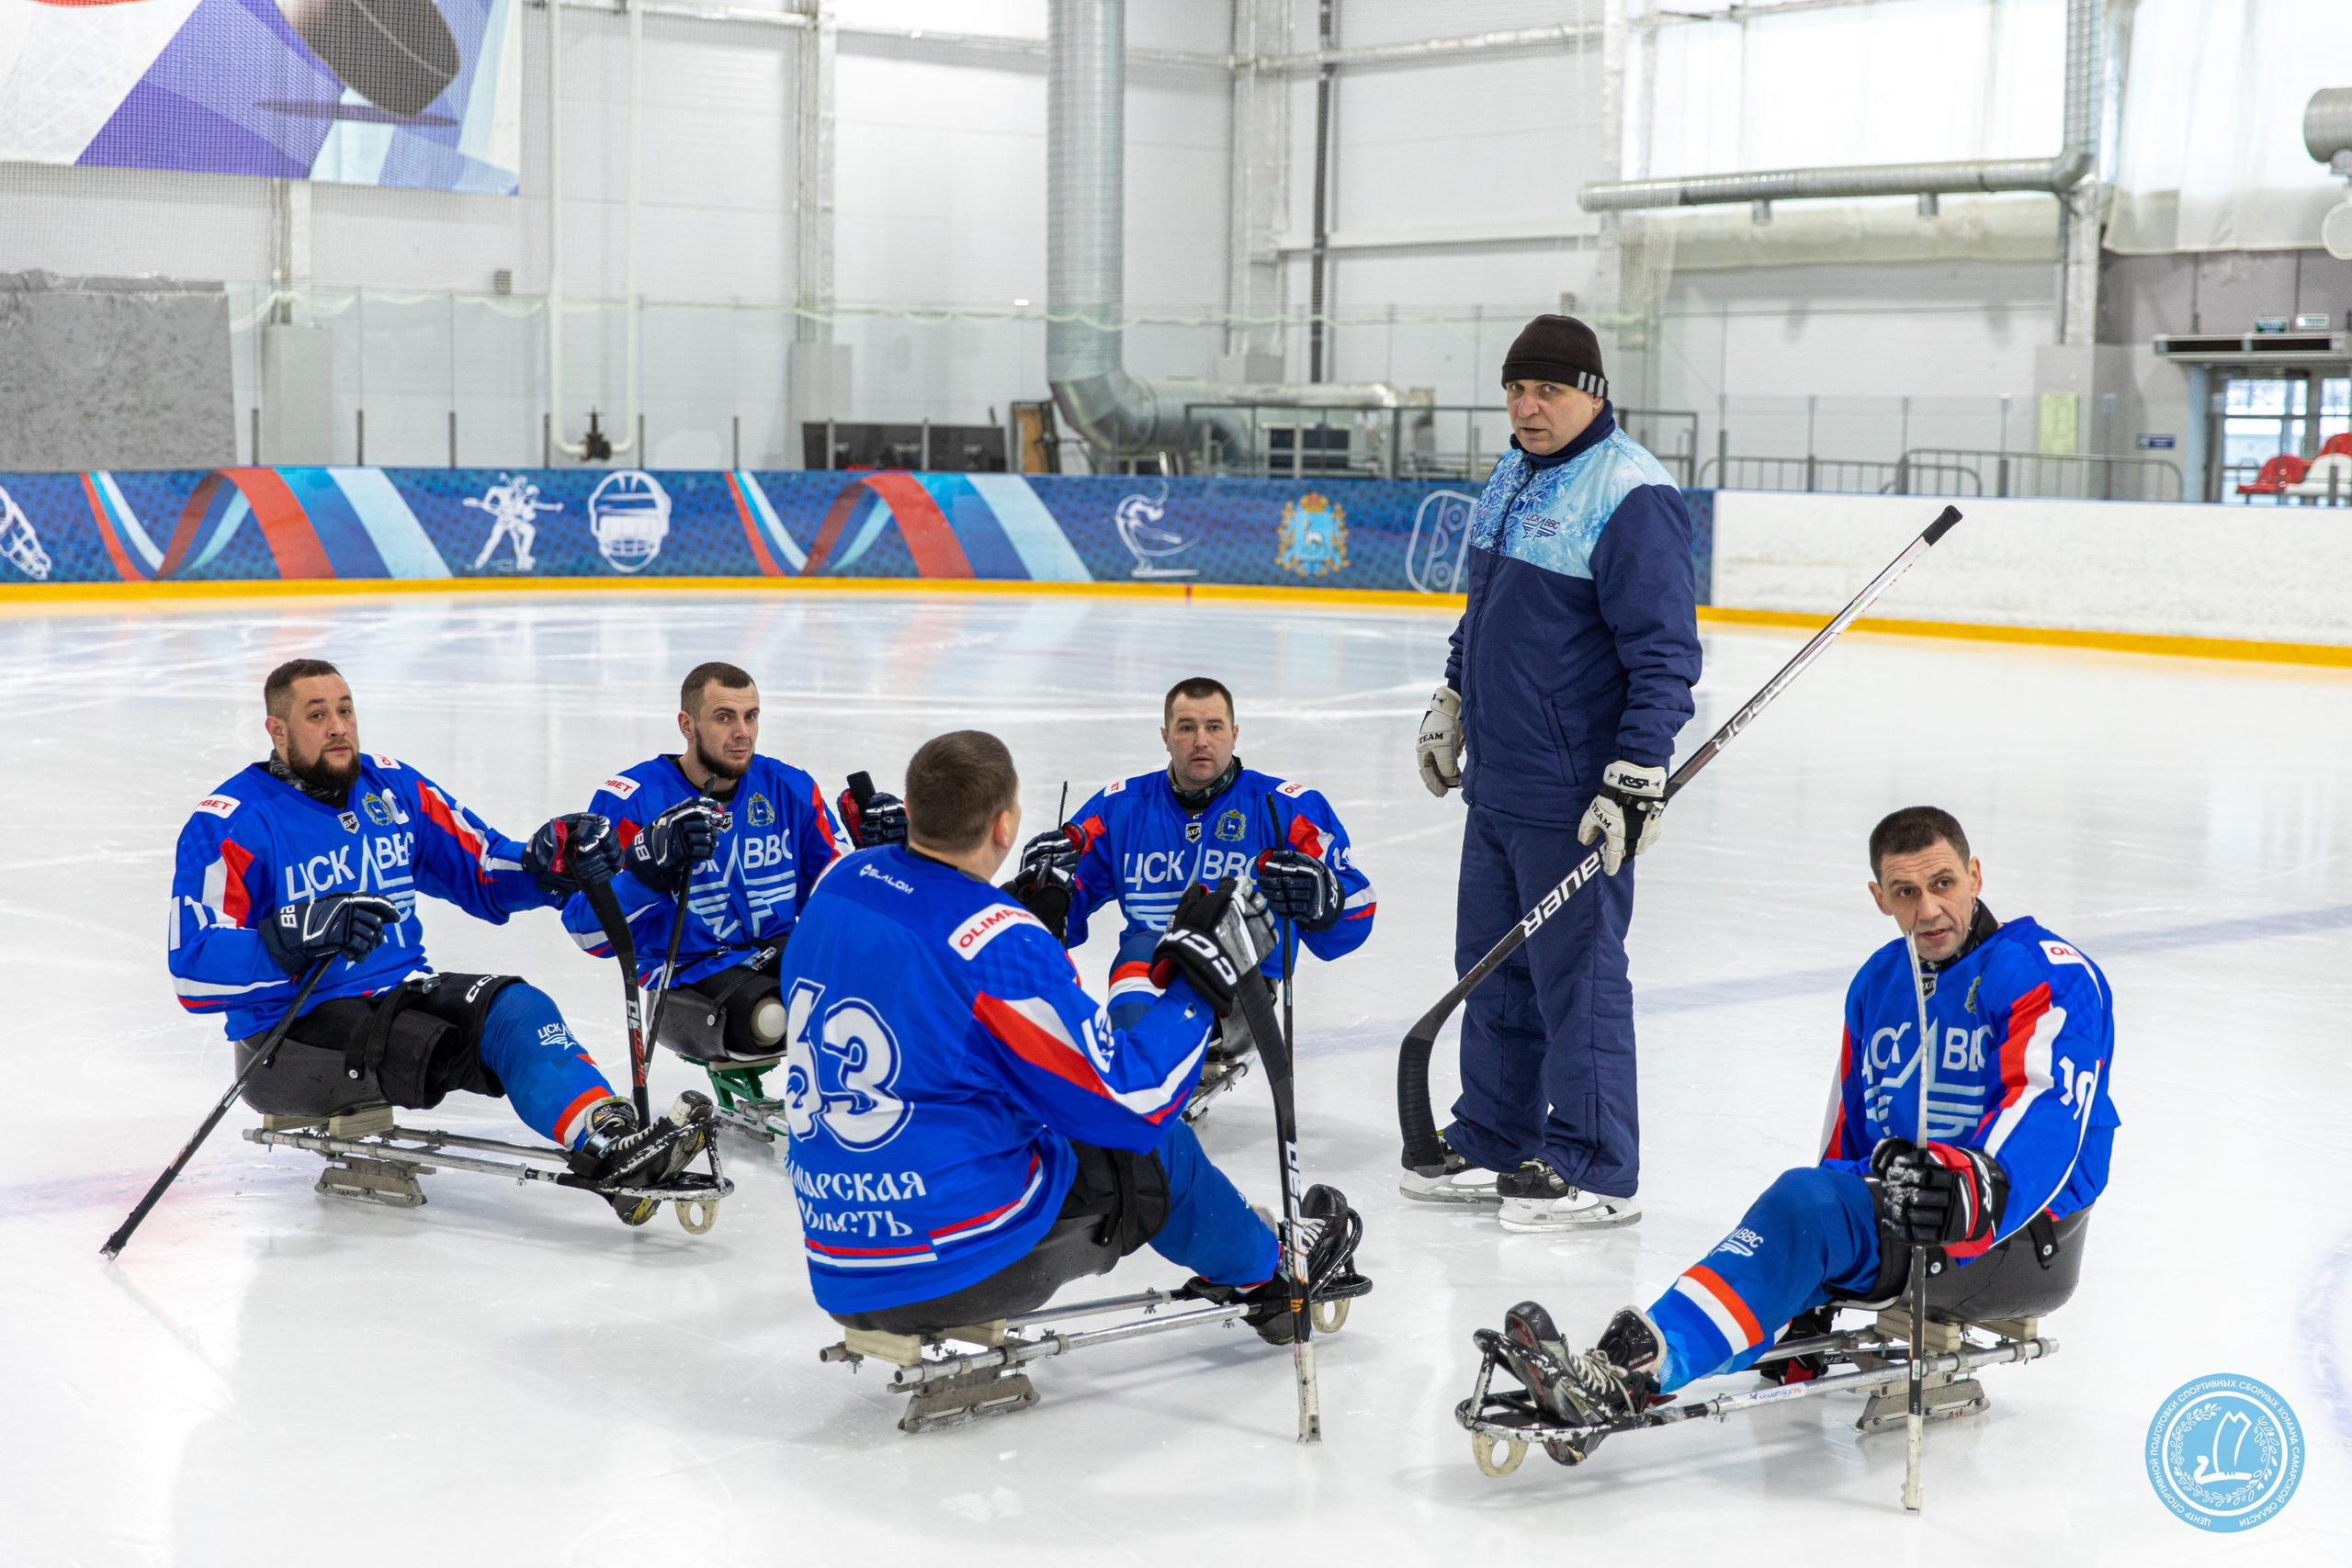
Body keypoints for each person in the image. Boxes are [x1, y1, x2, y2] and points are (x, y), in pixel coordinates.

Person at [1491, 807, 2119, 1427]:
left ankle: (1630, 1375)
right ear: (1881, 897)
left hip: (2020, 1232)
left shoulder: (2046, 969)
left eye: (1943, 884)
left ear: (1975, 875)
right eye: (1906, 891)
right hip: (1914, 1214)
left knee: (1805, 1205)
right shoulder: (1880, 981)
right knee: (1809, 1207)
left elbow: (2050, 1113)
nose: (1927, 908)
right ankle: (1631, 1362)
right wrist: (1812, 1286)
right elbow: (1852, 1130)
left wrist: (1975, 1184)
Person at [775, 728, 1363, 1342]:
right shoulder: (995, 943)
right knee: (1155, 1148)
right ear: (1005, 826)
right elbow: (1135, 1102)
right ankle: (1270, 1269)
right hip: (950, 1261)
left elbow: (926, 981)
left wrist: (1028, 918)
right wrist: (1197, 989)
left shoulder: (842, 881)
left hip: (839, 1256)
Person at [167, 659, 715, 1225]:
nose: (338, 726)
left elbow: (481, 867)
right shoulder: (230, 821)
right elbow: (192, 967)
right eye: (316, 714)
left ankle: (613, 1142)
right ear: (276, 731)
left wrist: (549, 859)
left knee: (516, 1008)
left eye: (345, 710)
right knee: (426, 1038)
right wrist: (293, 937)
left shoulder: (392, 786)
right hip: (290, 1036)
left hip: (395, 996)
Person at [1408, 312, 1702, 1229]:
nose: (1527, 407)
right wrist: (1453, 699)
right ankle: (1497, 1136)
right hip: (1499, 781)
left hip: (1573, 793)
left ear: (1594, 393)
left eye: (1549, 391)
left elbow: (1663, 653)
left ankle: (1593, 1163)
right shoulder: (1513, 473)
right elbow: (1484, 608)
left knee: (1577, 978)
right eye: (1516, 388)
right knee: (1492, 968)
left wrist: (1635, 773)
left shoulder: (1629, 494)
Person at [1004, 676, 1374, 1111]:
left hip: (1241, 995)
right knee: (1145, 946)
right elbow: (1066, 901)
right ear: (1165, 737)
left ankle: (1134, 1094)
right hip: (1146, 978)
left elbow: (1357, 906)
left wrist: (1324, 898)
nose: (1201, 740)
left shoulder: (1286, 807)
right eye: (1186, 727)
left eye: (1214, 727)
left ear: (1234, 734)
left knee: (1164, 946)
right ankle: (1136, 1085)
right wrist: (1046, 891)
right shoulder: (1120, 807)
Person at [561, 660, 896, 1066]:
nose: (743, 732)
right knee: (774, 1015)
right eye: (724, 717)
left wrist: (883, 857)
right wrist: (646, 871)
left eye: (750, 716)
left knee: (889, 979)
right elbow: (585, 932)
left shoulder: (789, 786)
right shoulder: (632, 799)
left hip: (780, 952)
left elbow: (834, 901)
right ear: (687, 725)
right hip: (688, 977)